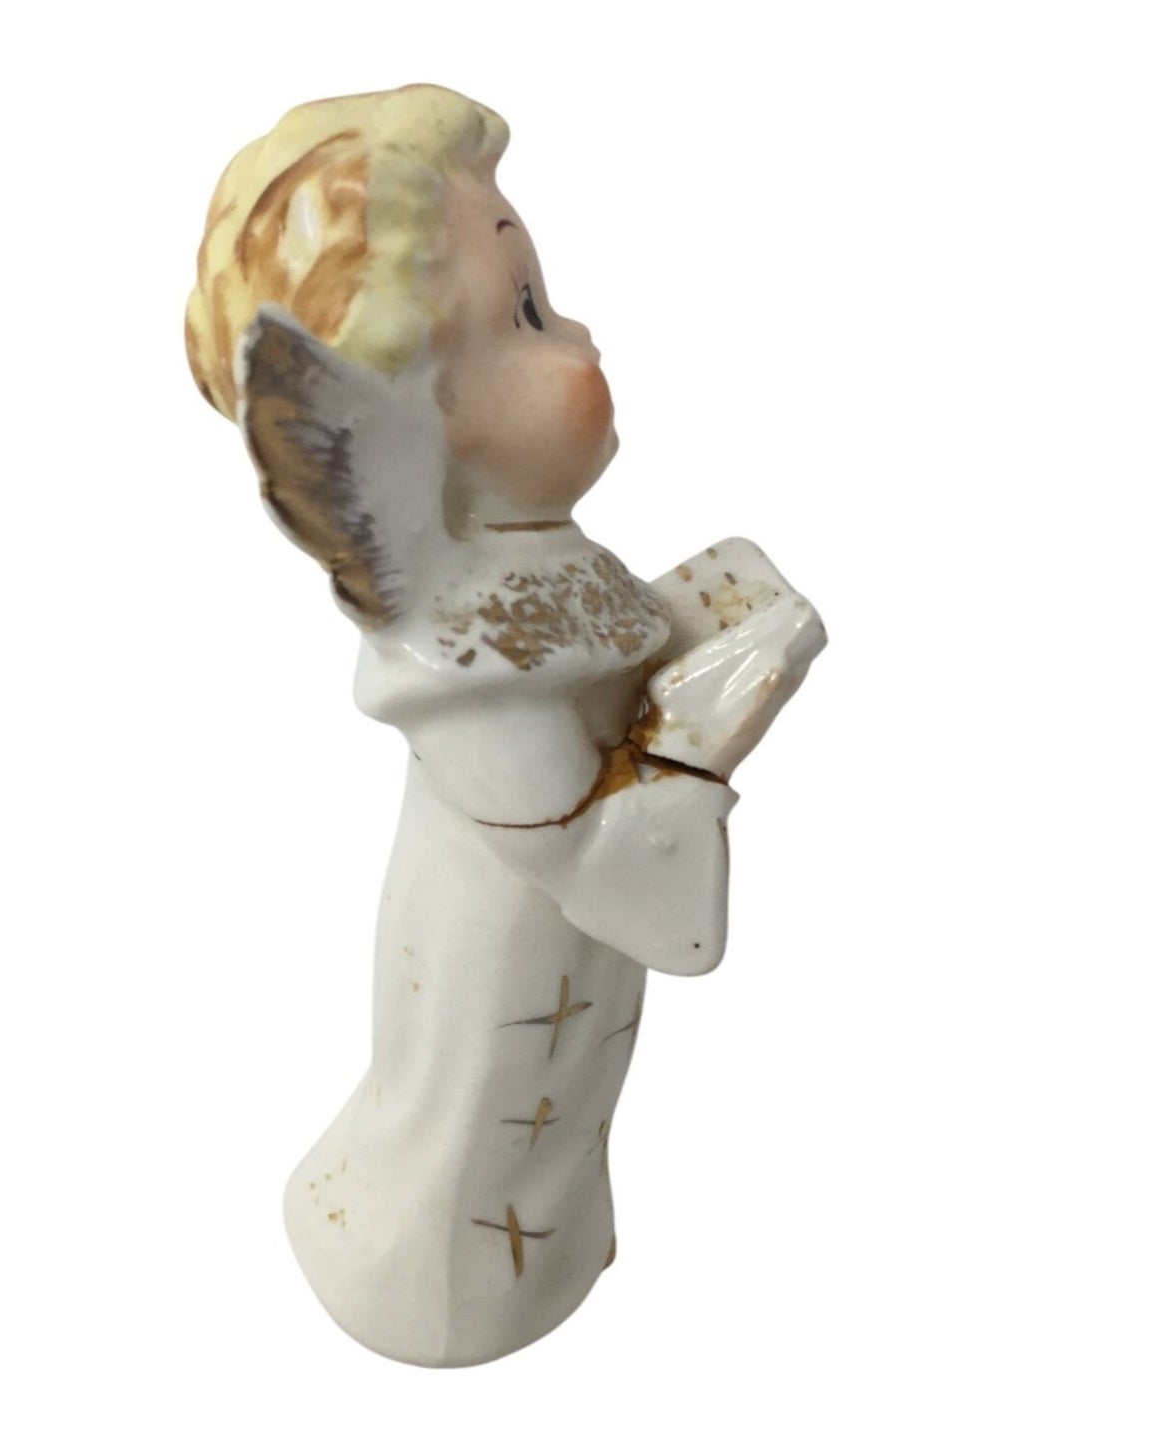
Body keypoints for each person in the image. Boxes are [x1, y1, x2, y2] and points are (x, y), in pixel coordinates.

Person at [186, 83, 825, 1366]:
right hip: (502, 994)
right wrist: (723, 707)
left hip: (553, 1006)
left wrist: (712, 604)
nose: (579, 331)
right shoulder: (465, 667)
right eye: (527, 311)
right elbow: (602, 863)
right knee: (482, 1135)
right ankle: (416, 1270)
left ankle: (538, 1249)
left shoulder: (532, 563)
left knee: (558, 1113)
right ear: (413, 422)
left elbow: (610, 653)